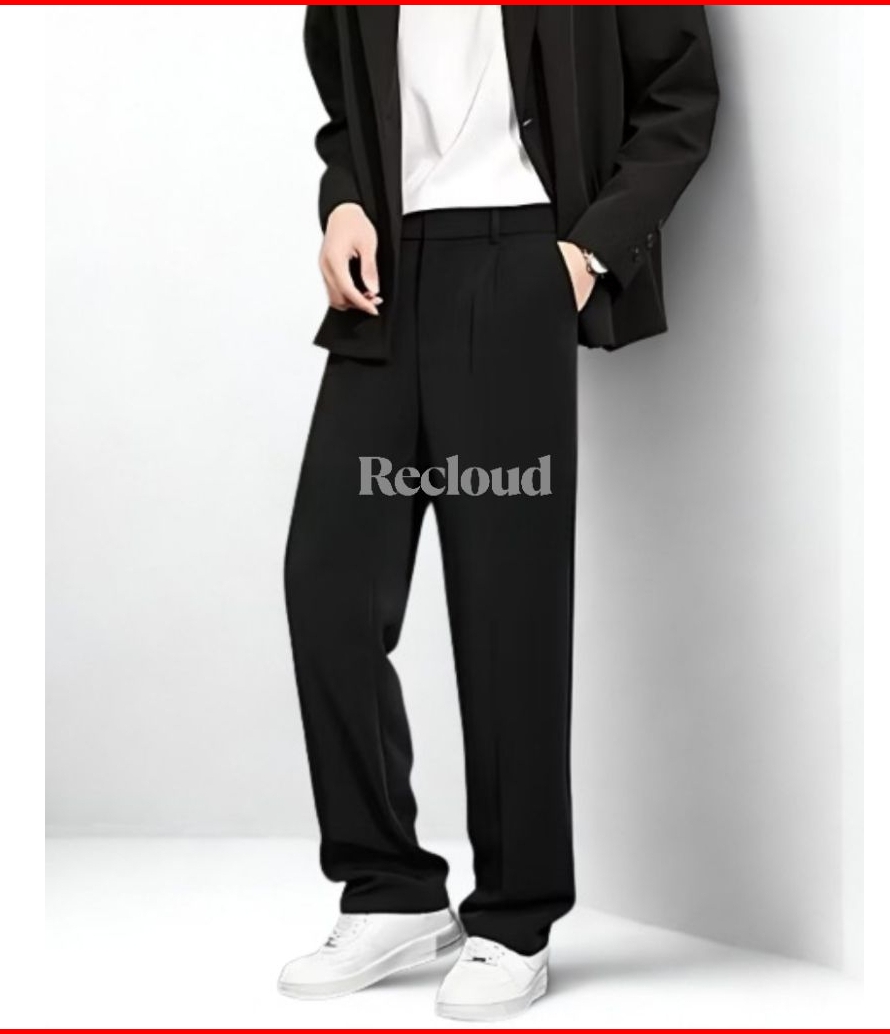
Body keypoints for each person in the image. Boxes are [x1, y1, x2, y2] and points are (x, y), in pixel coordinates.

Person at [279, 4, 718, 1021]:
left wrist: (585, 253)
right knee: (329, 586)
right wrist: (343, 202)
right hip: (389, 275)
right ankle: (390, 887)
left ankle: (515, 917)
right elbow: (346, 104)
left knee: (506, 606)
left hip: (519, 260)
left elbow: (680, 96)